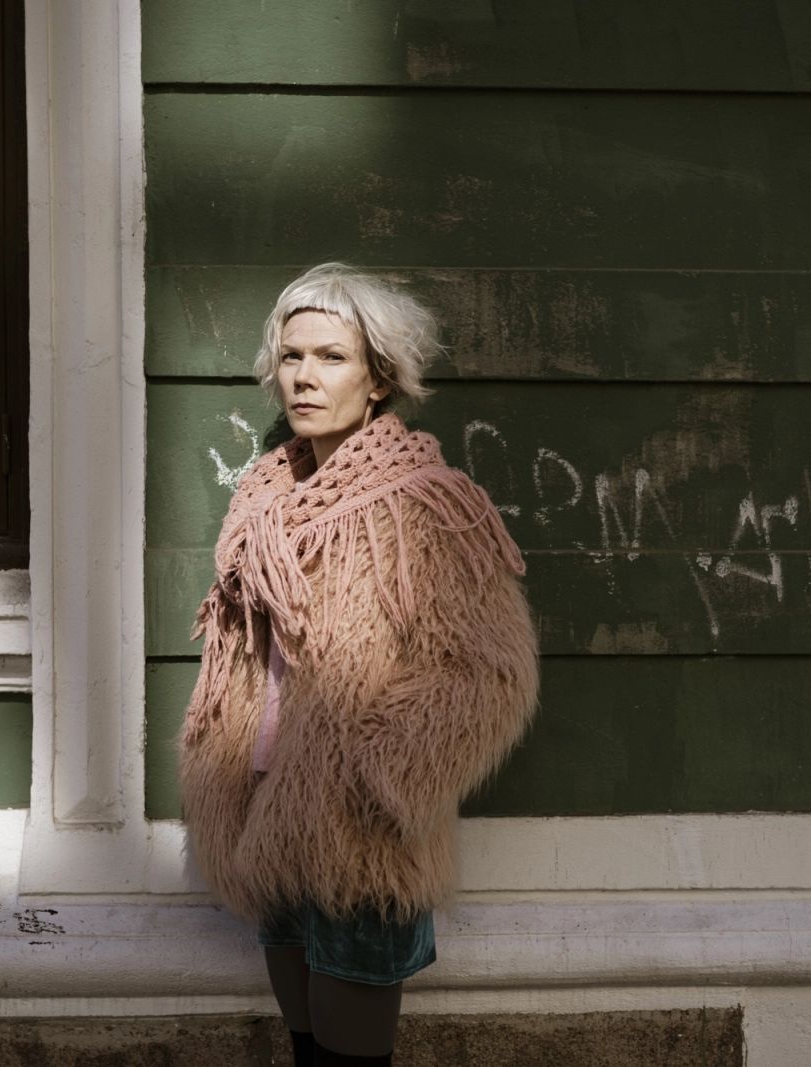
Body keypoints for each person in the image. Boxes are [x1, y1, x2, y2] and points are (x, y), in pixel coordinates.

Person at [176, 263, 540, 1066]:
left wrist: (374, 772)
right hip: (266, 805)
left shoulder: (425, 503)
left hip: (358, 825)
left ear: (378, 378)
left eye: (331, 357)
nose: (304, 376)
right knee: (304, 1037)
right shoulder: (264, 500)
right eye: (292, 356)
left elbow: (489, 671)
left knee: (351, 1047)